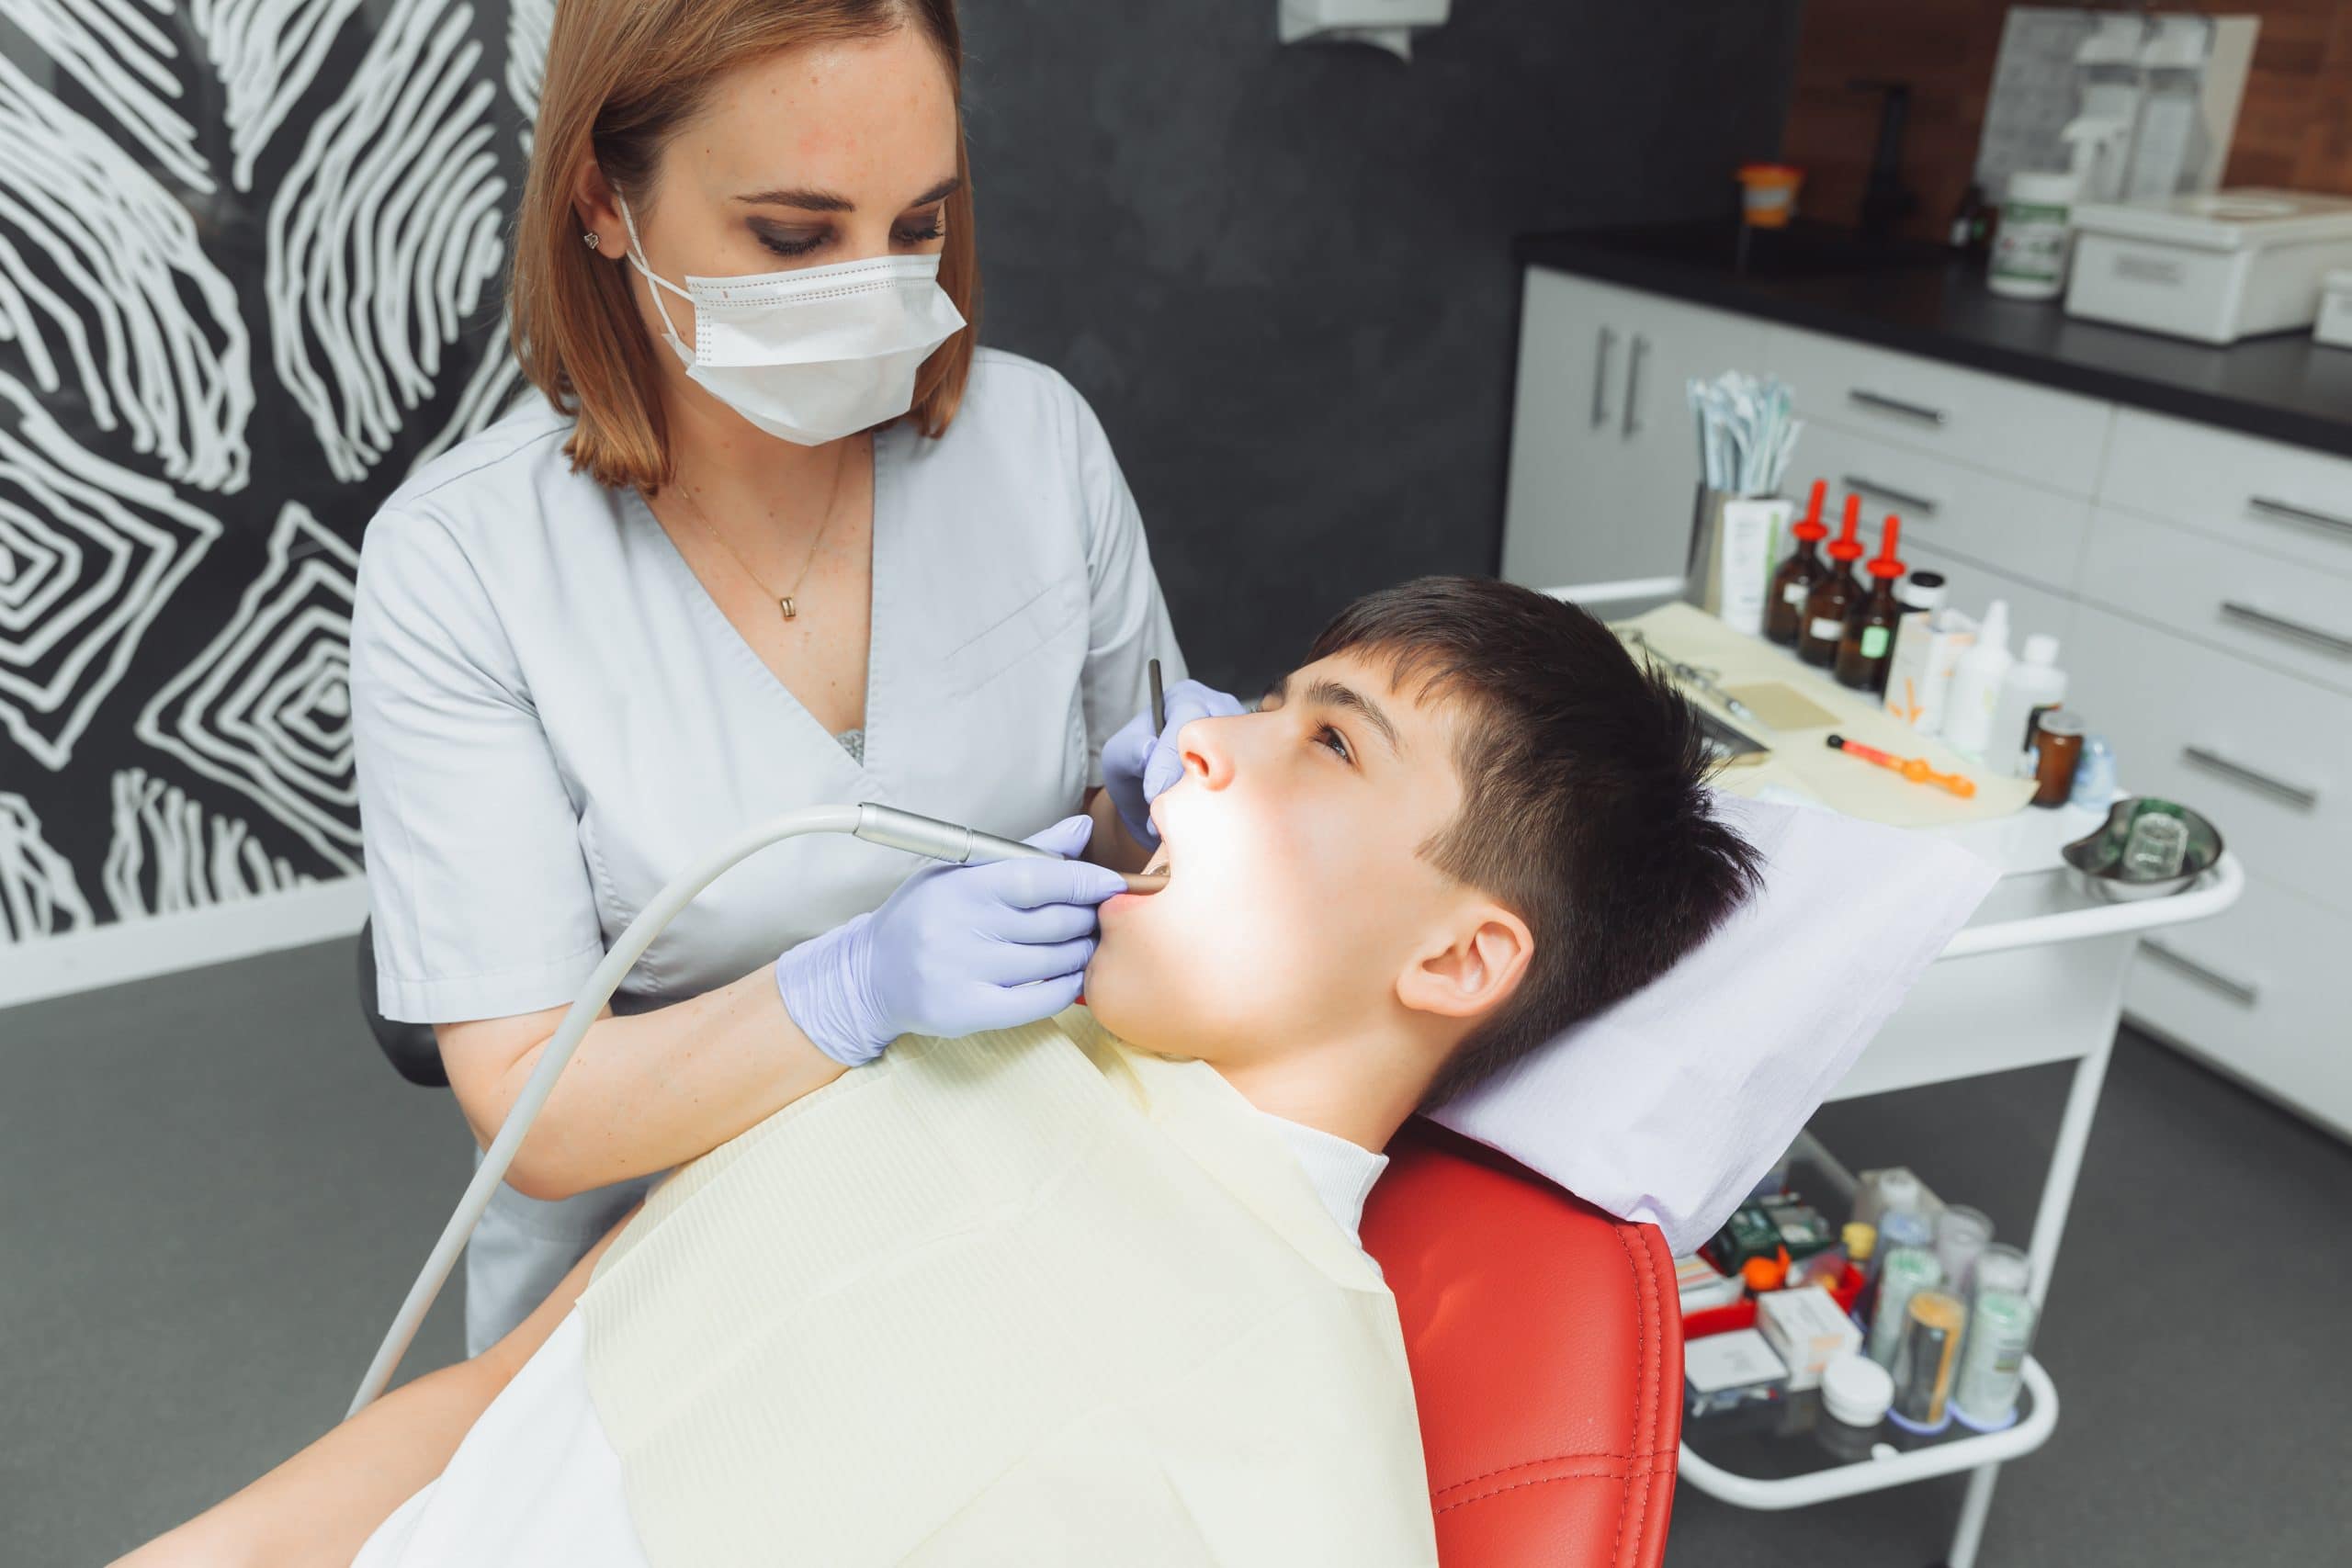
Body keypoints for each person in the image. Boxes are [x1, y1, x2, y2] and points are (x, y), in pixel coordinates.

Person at [138, 579, 1760, 1566]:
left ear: (1464, 960)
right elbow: (491, 1411)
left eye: (1328, 742)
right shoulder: (943, 1058)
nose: (1200, 743)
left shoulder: (1294, 1472)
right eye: (1263, 703)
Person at [349, 0, 1248, 1354]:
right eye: (792, 236)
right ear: (603, 199)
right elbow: (536, 1113)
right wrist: (847, 992)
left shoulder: (1039, 447)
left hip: (1020, 1202)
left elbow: (1138, 877)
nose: (881, 290)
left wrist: (1155, 820)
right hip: (660, 1280)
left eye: (920, 224)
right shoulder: (461, 564)